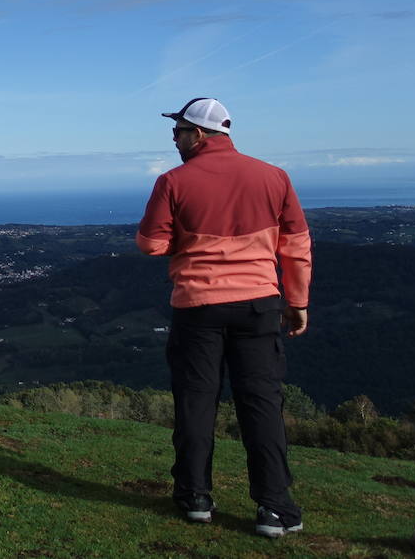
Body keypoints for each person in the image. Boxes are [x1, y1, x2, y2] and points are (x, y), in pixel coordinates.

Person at [135, 98, 311, 539]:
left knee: (196, 402)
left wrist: (188, 244)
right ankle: (275, 508)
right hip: (259, 306)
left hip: (198, 307)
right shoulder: (274, 177)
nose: (174, 140)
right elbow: (296, 246)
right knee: (262, 405)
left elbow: (150, 244)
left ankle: (195, 496)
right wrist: (298, 301)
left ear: (198, 134)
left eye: (177, 132)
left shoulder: (173, 182)